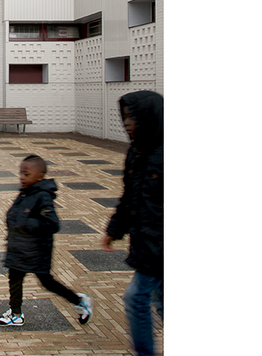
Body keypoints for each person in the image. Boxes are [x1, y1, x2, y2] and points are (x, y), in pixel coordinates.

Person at [0, 154, 93, 327]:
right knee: (15, 278)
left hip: (37, 250)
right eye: (21, 173)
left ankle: (79, 301)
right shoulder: (26, 192)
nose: (22, 177)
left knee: (47, 282)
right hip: (21, 247)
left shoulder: (43, 196)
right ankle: (16, 313)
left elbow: (52, 224)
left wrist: (26, 222)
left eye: (26, 174)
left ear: (39, 177)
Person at [102, 90, 164, 356]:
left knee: (135, 298)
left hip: (159, 246)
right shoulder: (136, 153)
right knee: (162, 300)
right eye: (124, 117)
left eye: (132, 117)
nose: (126, 123)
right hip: (147, 244)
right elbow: (129, 198)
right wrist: (114, 230)